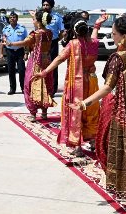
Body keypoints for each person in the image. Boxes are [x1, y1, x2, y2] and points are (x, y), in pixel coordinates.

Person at [71, 0, 126, 213]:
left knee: (106, 143)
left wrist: (84, 103)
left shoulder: (118, 58)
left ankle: (123, 183)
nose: (112, 36)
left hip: (118, 104)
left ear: (123, 36)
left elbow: (107, 88)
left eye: (114, 33)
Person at [36, 15, 105, 156]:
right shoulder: (94, 43)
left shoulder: (73, 44)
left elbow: (59, 59)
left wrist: (45, 72)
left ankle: (77, 146)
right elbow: (94, 35)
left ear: (74, 32)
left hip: (76, 85)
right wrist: (97, 25)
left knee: (76, 113)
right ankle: (92, 141)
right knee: (91, 111)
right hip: (92, 82)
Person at [4, 10, 56, 119]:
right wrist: (37, 16)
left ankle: (33, 113)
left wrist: (10, 43)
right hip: (47, 61)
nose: (32, 21)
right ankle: (44, 112)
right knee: (46, 85)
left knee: (30, 85)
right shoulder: (49, 33)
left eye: (34, 20)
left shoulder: (36, 34)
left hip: (36, 62)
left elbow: (24, 42)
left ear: (38, 22)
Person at [40, 0, 65, 98]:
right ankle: (43, 87)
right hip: (42, 44)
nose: (45, 7)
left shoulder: (57, 17)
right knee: (42, 65)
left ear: (51, 6)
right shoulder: (39, 16)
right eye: (44, 5)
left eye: (47, 5)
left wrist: (56, 40)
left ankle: (53, 89)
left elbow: (62, 32)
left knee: (53, 65)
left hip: (53, 43)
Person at [0, 12, 28, 95]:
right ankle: (12, 88)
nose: (12, 19)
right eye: (11, 17)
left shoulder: (22, 28)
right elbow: (2, 41)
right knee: (11, 71)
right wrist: (1, 53)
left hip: (20, 52)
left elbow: (26, 42)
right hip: (10, 52)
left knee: (21, 70)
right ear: (9, 19)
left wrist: (26, 53)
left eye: (14, 17)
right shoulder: (5, 29)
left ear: (17, 19)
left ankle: (23, 88)